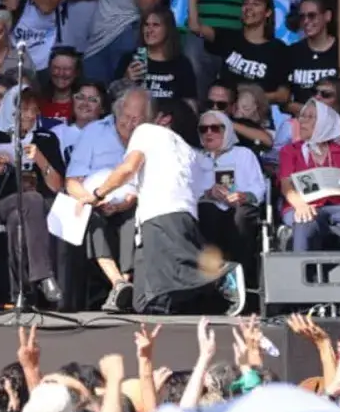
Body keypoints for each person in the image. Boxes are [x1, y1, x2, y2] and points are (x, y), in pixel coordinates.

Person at [79, 95, 242, 315]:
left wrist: (98, 194)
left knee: (180, 268)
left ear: (163, 119)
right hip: (176, 214)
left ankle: (224, 275)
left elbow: (128, 169)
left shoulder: (146, 132)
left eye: (138, 117)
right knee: (146, 298)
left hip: (162, 211)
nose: (131, 124)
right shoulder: (186, 149)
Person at [0, 86, 65, 307]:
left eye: (34, 110)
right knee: (31, 199)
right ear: (11, 110)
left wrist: (41, 159)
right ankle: (44, 276)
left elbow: (57, 187)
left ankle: (21, 294)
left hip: (35, 207)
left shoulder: (47, 138)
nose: (30, 115)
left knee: (22, 214)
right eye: (24, 109)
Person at [64, 87, 147, 313]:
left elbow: (146, 182)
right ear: (116, 113)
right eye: (127, 118)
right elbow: (72, 180)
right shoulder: (94, 132)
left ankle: (124, 284)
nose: (131, 125)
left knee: (134, 216)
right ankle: (119, 283)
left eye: (137, 120)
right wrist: (91, 199)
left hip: (130, 202)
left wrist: (129, 200)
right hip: (94, 201)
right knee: (91, 216)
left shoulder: (146, 137)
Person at [279, 98, 340, 253]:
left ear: (325, 122)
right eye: (302, 116)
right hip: (305, 204)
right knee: (304, 219)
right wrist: (300, 205)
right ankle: (303, 274)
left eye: (310, 117)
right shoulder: (290, 151)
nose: (302, 121)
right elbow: (286, 185)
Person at [189, 110, 265, 287]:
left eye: (215, 128)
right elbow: (190, 190)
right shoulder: (195, 158)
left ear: (227, 130)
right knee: (207, 211)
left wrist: (243, 196)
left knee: (242, 216)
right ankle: (211, 281)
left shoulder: (243, 154)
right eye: (203, 129)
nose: (208, 133)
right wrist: (208, 193)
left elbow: (258, 187)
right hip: (210, 210)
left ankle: (241, 277)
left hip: (240, 207)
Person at [187, 0, 289, 104]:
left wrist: (249, 98)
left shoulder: (278, 49)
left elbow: (283, 95)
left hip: (256, 113)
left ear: (268, 12)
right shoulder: (229, 37)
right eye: (245, 3)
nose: (248, 8)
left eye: (255, 4)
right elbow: (195, 27)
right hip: (223, 109)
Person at [284, 0, 340, 113]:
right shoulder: (291, 53)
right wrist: (312, 112)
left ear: (327, 16)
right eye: (302, 17)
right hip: (302, 125)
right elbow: (284, 103)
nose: (306, 21)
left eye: (312, 16)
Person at [117, 8, 196, 109]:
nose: (149, 30)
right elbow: (113, 98)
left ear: (168, 29)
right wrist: (126, 80)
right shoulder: (129, 59)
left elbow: (190, 103)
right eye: (146, 25)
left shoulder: (181, 63)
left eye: (155, 25)